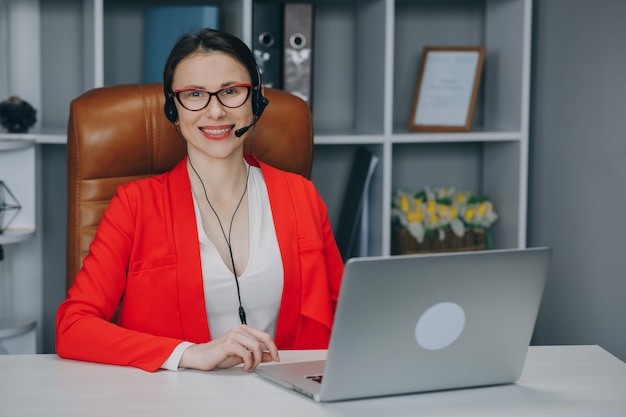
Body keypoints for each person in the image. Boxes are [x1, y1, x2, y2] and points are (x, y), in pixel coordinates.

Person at [56, 28, 344, 372]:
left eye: (231, 91)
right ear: (173, 109)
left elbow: (351, 314)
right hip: (176, 400)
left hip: (288, 397)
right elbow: (73, 327)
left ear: (256, 100)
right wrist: (189, 354)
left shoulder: (302, 195)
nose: (216, 112)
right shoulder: (135, 205)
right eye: (194, 95)